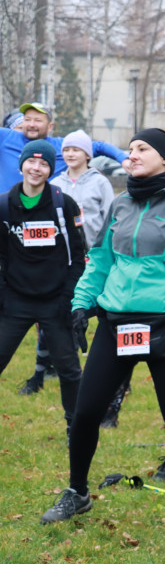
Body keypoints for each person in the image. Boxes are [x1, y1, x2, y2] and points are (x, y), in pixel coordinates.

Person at [41, 128, 165, 532]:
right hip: (117, 324)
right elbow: (100, 261)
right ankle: (77, 492)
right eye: (131, 148)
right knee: (85, 412)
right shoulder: (121, 204)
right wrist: (82, 303)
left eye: (142, 149)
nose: (131, 155)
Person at [18, 131, 116, 399]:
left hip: (95, 257)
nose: (71, 153)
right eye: (67, 149)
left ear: (87, 155)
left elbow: (113, 219)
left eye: (76, 149)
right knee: (55, 316)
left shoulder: (100, 183)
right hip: (62, 259)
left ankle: (115, 372)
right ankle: (43, 372)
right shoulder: (55, 181)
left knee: (98, 314)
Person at [0, 140, 85, 431]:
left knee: (69, 370)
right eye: (32, 162)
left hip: (55, 301)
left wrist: (67, 299)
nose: (36, 168)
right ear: (21, 164)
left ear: (51, 168)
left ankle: (76, 428)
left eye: (44, 163)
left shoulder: (64, 204)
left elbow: (78, 258)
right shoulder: (3, 205)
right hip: (15, 301)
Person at [0, 103, 128, 192]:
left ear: (50, 126)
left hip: (43, 214)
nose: (32, 124)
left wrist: (124, 159)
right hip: (7, 211)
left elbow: (100, 146)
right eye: (28, 119)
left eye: (38, 121)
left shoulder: (64, 146)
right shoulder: (6, 137)